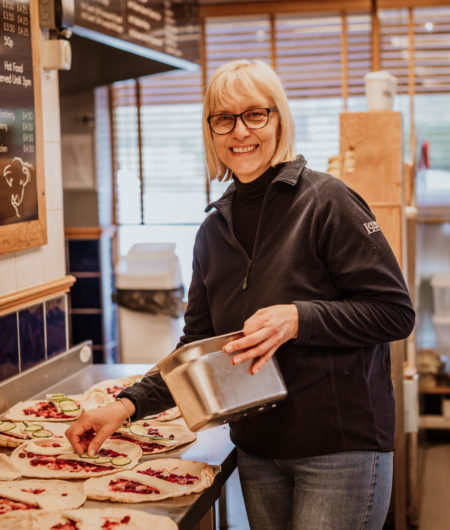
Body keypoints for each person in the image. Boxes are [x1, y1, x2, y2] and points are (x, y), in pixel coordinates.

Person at [66, 59, 415, 530]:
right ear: (211, 130)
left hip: (338, 447)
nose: (240, 132)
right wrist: (125, 406)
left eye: (256, 114)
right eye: (223, 118)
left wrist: (299, 318)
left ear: (278, 119)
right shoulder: (213, 230)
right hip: (257, 447)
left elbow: (394, 312)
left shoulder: (328, 202)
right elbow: (195, 348)